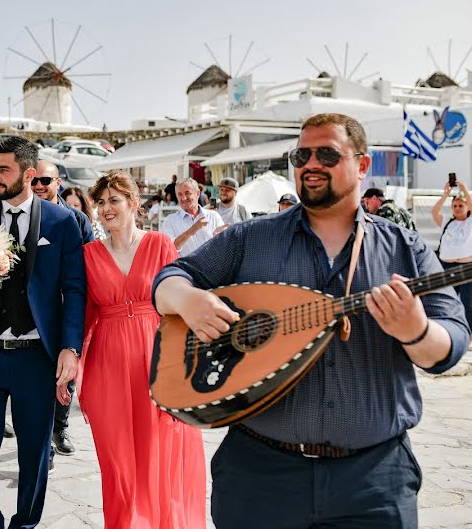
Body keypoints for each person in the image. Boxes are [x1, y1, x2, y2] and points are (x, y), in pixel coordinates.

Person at [153, 113, 470, 528]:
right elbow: (167, 280)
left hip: (373, 480)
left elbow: (452, 339)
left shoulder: (404, 248)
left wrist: (416, 332)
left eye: (327, 153)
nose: (310, 163)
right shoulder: (251, 238)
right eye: (301, 155)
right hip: (259, 475)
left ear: (361, 164)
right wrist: (189, 300)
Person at [0, 134, 86, 529]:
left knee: (34, 452)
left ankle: (25, 524)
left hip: (37, 356)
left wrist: (70, 347)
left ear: (28, 174)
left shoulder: (63, 222)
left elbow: (75, 289)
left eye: (3, 169)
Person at [79, 170, 206, 528]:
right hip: (108, 365)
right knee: (117, 460)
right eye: (100, 202)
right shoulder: (87, 254)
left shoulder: (160, 245)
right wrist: (72, 359)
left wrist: (187, 365)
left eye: (114, 200)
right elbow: (84, 316)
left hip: (158, 359)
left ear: (134, 204)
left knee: (162, 451)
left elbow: (179, 308)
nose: (106, 208)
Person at [32, 160, 93, 458]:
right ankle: (45, 447)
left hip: (67, 307)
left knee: (66, 372)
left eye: (46, 180)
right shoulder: (25, 215)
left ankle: (60, 425)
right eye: (34, 181)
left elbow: (90, 262)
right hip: (37, 313)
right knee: (40, 381)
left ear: (59, 183)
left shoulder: (77, 219)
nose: (39, 186)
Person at [431, 180, 472, 328]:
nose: (457, 208)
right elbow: (435, 212)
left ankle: (469, 333)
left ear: (467, 207)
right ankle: (449, 329)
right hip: (447, 266)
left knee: (468, 302)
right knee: (446, 299)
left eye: (461, 205)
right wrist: (445, 194)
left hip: (466, 266)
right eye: (455, 206)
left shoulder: (470, 222)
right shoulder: (448, 222)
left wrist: (464, 190)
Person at [160, 178, 226, 256]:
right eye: (180, 194)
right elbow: (168, 248)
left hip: (211, 266)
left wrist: (220, 238)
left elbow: (224, 246)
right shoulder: (170, 220)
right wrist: (192, 230)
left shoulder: (214, 216)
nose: (183, 198)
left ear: (197, 194)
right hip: (183, 268)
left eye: (187, 193)